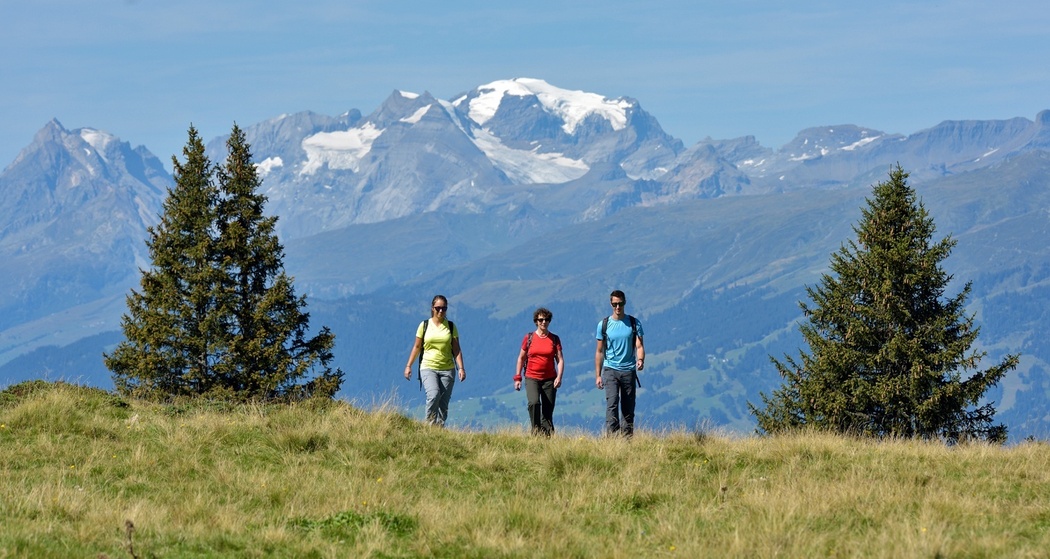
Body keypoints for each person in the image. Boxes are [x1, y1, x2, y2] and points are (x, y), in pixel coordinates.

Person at [403, 295, 465, 427]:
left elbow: (457, 349)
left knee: (443, 403)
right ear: (432, 308)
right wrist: (409, 366)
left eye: (444, 308)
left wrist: (461, 368)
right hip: (428, 367)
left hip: (447, 369)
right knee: (434, 394)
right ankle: (429, 426)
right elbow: (417, 346)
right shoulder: (424, 325)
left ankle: (439, 430)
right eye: (438, 308)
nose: (441, 311)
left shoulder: (451, 326)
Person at [595, 289, 645, 438]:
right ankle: (612, 439)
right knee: (612, 403)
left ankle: (627, 439)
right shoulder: (603, 325)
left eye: (620, 303)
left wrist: (641, 360)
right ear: (611, 304)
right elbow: (599, 351)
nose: (618, 307)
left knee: (628, 407)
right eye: (615, 304)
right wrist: (598, 375)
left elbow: (640, 346)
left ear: (625, 303)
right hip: (610, 369)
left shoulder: (634, 323)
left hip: (629, 370)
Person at [513, 307, 565, 436]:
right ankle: (536, 431)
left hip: (549, 379)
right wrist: (518, 377)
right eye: (541, 319)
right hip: (532, 377)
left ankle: (547, 437)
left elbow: (560, 359)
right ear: (536, 321)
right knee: (534, 403)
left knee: (548, 410)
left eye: (546, 319)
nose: (544, 322)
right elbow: (521, 358)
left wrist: (559, 377)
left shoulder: (554, 339)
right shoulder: (529, 338)